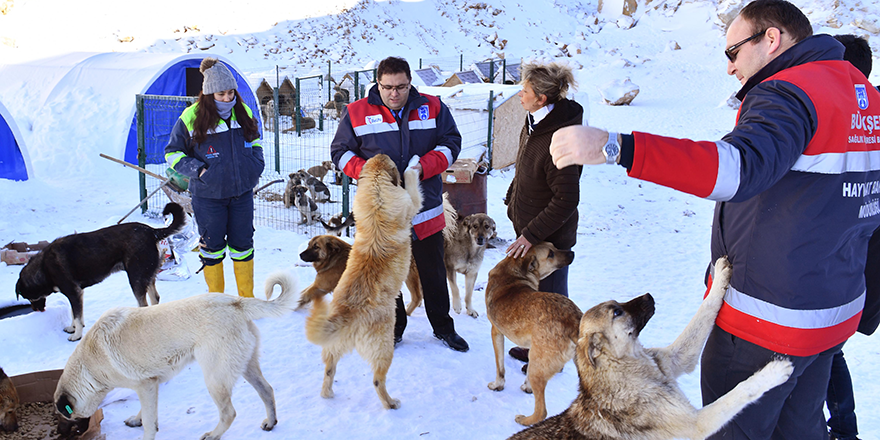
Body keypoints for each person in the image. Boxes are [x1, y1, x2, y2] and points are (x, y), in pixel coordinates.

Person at [547, 1, 880, 438]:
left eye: (733, 53)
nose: (729, 68)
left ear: (772, 39)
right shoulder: (863, 94)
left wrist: (617, 148)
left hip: (766, 322)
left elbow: (739, 167)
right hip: (830, 317)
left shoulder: (789, 91)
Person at [330, 56, 469, 352]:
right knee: (386, 275)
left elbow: (451, 142)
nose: (394, 93)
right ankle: (393, 329)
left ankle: (443, 327)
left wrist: (425, 167)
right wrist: (367, 173)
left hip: (425, 208)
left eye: (401, 87)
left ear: (410, 83)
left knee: (433, 271)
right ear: (377, 83)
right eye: (388, 87)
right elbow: (340, 151)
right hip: (383, 216)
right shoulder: (356, 112)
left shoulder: (432, 106)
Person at [504, 62, 583, 365]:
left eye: (525, 91)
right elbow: (526, 161)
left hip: (549, 239)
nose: (519, 95)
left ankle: (551, 357)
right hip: (530, 231)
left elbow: (566, 199)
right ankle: (536, 345)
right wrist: (514, 196)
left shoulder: (561, 137)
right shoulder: (535, 120)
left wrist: (531, 234)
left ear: (542, 98)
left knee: (552, 303)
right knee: (536, 299)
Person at [165, 57, 264, 297]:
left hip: (241, 195)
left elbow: (255, 141)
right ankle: (216, 301)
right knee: (212, 247)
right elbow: (172, 153)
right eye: (221, 94)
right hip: (208, 197)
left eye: (231, 93)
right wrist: (199, 171)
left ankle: (246, 300)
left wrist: (255, 163)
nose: (228, 98)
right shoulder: (191, 117)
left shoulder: (244, 112)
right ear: (209, 94)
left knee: (243, 246)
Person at [825, 33, 877, 440]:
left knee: (826, 346)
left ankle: (843, 429)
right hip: (858, 257)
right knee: (829, 346)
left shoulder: (850, 118)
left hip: (850, 256)